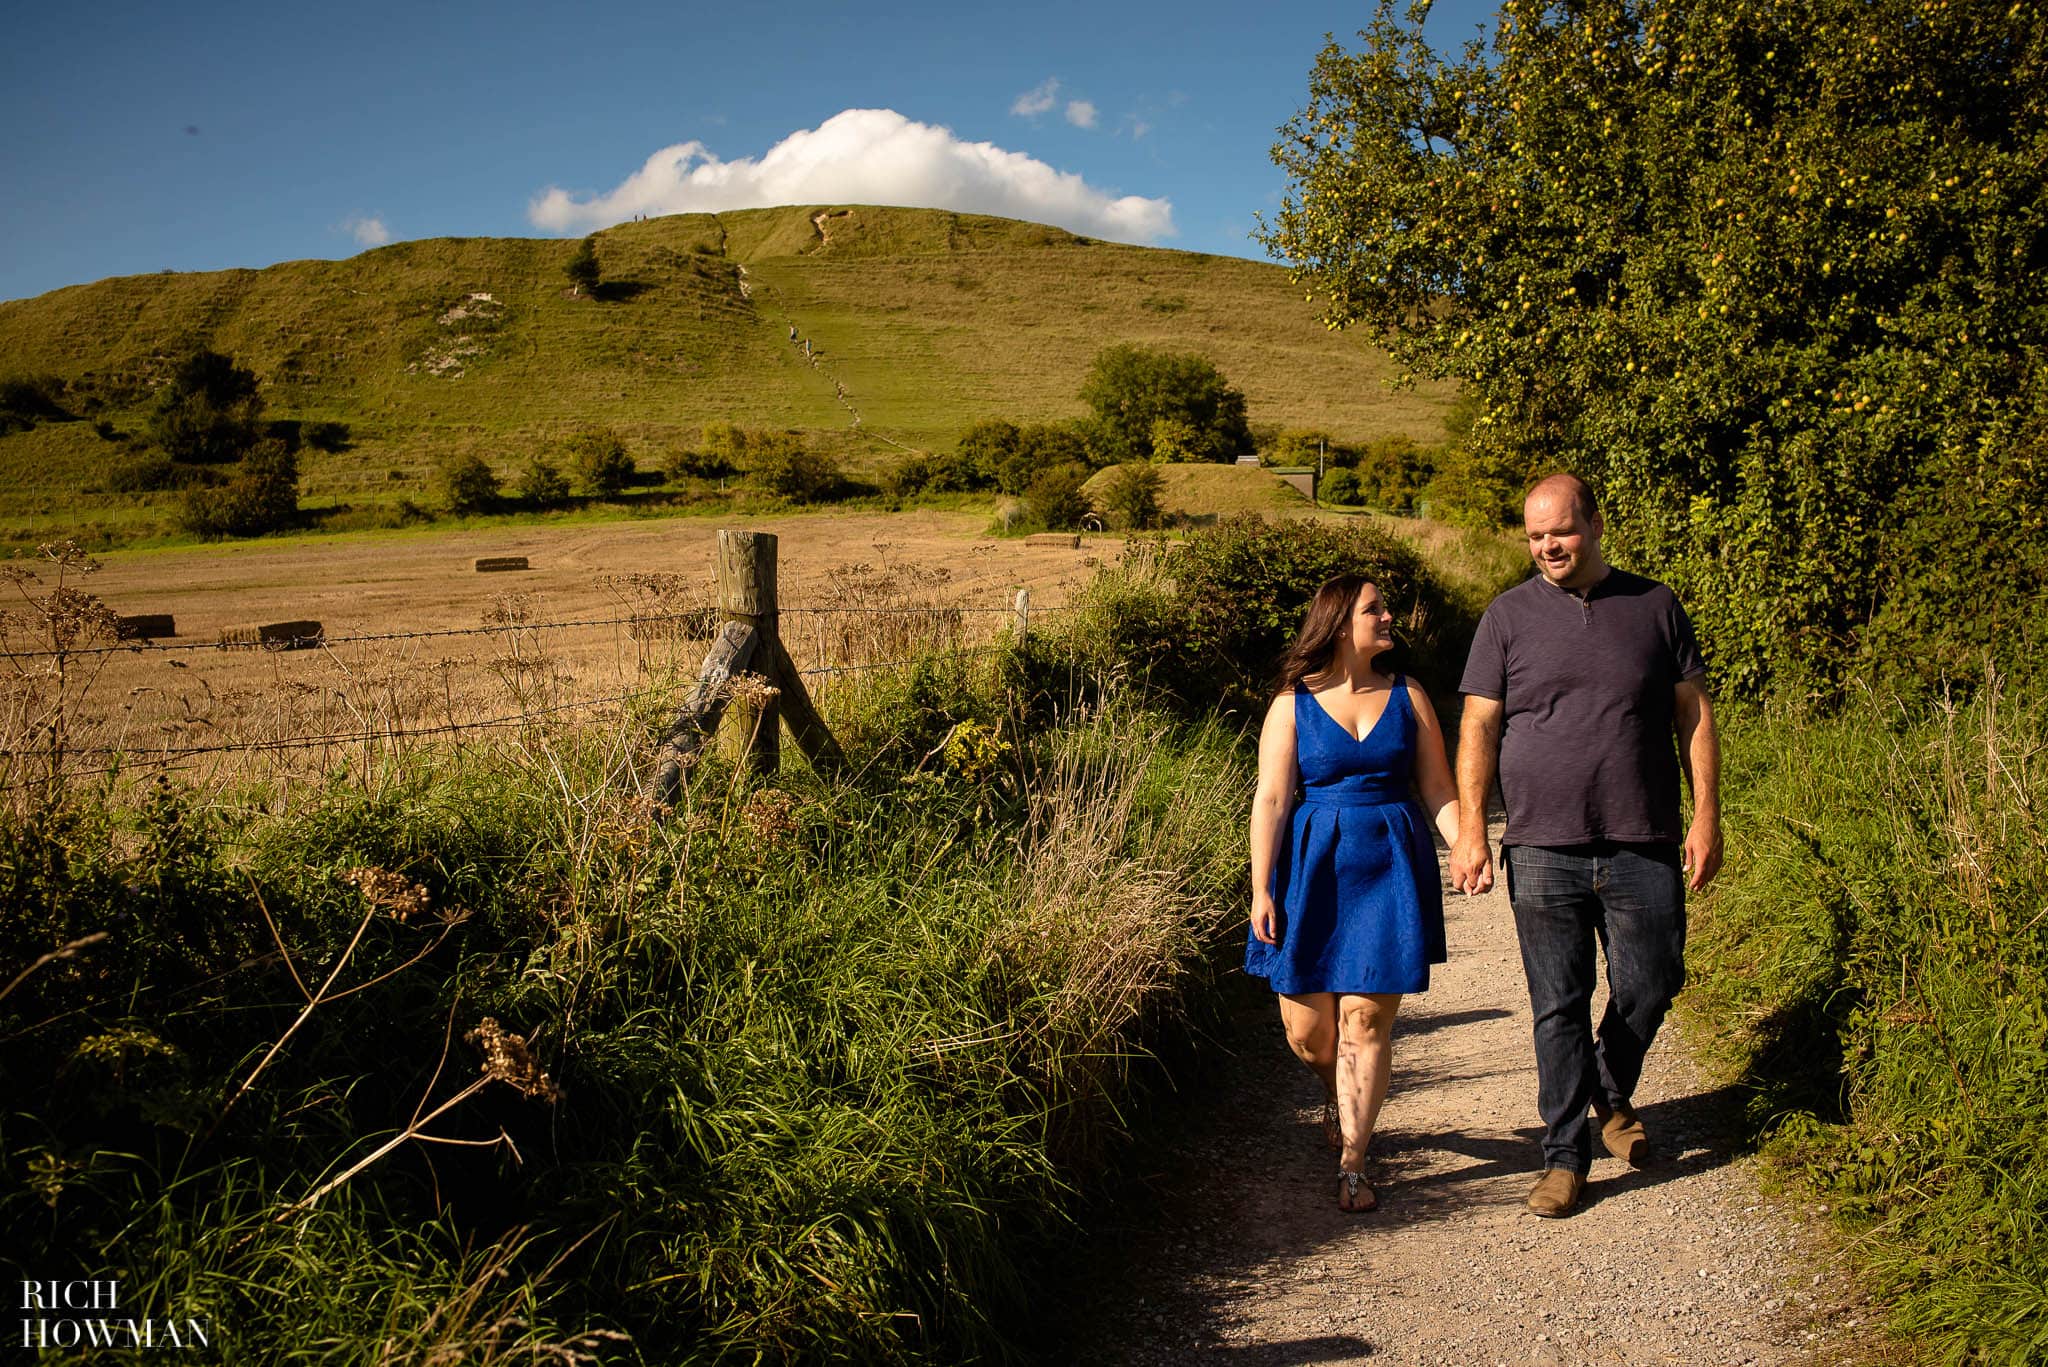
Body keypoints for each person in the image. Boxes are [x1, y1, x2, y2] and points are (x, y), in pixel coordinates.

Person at [1450, 472, 1723, 1219]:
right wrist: (1472, 829)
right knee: (1557, 1005)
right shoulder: (1506, 617)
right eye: (1535, 537)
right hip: (1542, 843)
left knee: (1655, 979)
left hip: (1644, 837)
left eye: (1561, 532)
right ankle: (1564, 1157)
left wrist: (1707, 816)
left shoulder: (1655, 605)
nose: (1547, 547)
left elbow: (1693, 714)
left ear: (1596, 525)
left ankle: (1604, 1084)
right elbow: (1478, 725)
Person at [1248, 574, 1460, 1212]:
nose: (1388, 617)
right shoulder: (1292, 703)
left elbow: (1438, 789)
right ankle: (1340, 1094)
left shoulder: (1409, 696)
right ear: (1341, 624)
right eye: (1375, 609)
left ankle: (1354, 1164)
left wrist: (1466, 847)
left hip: (1389, 868)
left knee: (1365, 1022)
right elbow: (1272, 799)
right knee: (1310, 1035)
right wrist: (1261, 888)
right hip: (1311, 871)